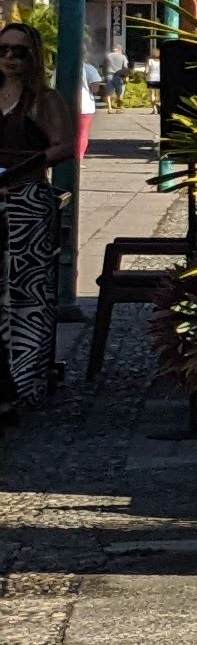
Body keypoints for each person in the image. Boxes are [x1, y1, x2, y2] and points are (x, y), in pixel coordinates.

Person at [0, 24, 63, 409]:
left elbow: (64, 145)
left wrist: (23, 170)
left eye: (19, 52)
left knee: (28, 293)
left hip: (27, 201)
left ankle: (24, 384)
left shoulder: (44, 99)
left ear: (33, 57)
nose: (9, 58)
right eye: (4, 50)